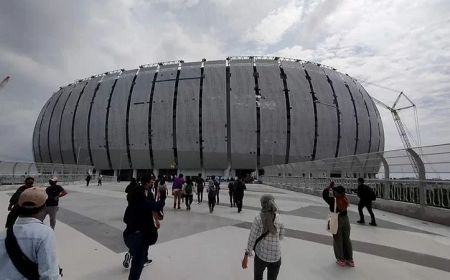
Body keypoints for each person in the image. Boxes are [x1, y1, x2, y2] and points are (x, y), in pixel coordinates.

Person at [0, 187, 60, 279]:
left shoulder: (3, 234)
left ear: (19, 207)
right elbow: (49, 275)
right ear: (44, 207)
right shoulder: (44, 233)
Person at [122, 181, 164, 280]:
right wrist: (162, 197)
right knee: (137, 265)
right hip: (140, 237)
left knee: (137, 257)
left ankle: (130, 253)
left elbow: (125, 219)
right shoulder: (144, 204)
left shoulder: (131, 206)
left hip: (128, 236)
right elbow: (158, 206)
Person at [242, 194, 284, 280]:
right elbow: (281, 236)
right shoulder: (278, 217)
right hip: (276, 256)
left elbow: (252, 238)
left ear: (262, 204)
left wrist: (247, 254)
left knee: (258, 277)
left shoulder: (258, 218)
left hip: (262, 256)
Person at [322, 184, 354, 267]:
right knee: (347, 239)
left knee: (337, 240)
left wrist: (328, 187)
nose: (334, 192)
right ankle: (350, 259)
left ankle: (341, 259)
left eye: (335, 191)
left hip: (336, 220)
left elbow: (324, 195)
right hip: (346, 219)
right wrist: (333, 189)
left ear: (337, 193)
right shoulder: (345, 199)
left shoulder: (333, 200)